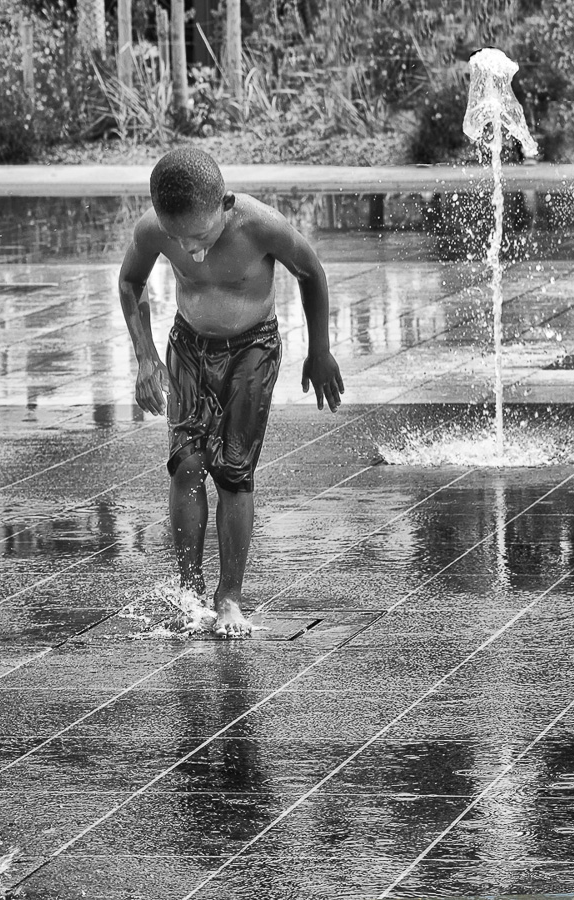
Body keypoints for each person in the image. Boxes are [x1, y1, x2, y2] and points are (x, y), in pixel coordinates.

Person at [118, 148, 344, 637]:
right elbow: (130, 281)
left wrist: (320, 350)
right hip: (189, 346)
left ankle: (230, 596)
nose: (192, 251)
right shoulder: (154, 229)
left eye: (200, 237)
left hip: (251, 350)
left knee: (233, 471)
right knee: (186, 464)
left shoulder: (259, 226)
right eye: (180, 240)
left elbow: (312, 273)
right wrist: (145, 356)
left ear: (224, 205)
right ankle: (190, 589)